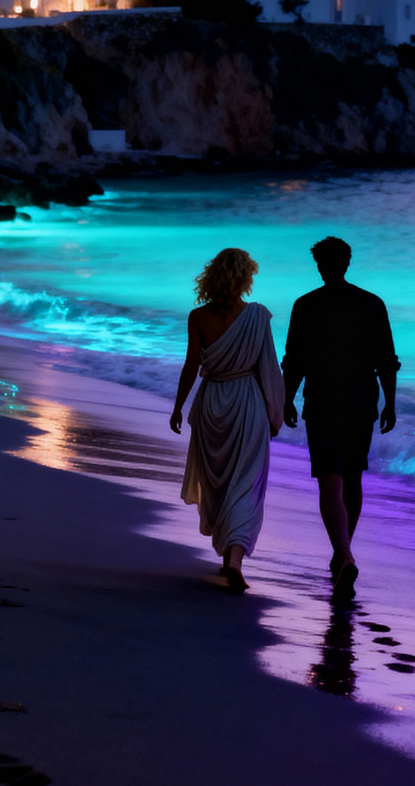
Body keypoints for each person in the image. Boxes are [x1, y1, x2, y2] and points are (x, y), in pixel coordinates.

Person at [282, 237, 399, 597]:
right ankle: (342, 553)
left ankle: (343, 554)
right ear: (348, 264)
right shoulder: (372, 304)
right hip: (361, 400)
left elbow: (293, 361)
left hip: (322, 401)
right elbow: (387, 361)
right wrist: (390, 404)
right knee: (353, 478)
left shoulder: (305, 305)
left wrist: (286, 399)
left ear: (319, 265)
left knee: (329, 482)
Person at [170, 248, 284, 593]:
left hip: (212, 403)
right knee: (246, 483)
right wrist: (275, 411)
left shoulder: (198, 316)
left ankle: (227, 555)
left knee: (218, 483)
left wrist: (178, 407)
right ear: (245, 278)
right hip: (247, 404)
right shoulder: (257, 315)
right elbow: (269, 368)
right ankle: (234, 558)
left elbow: (191, 366)